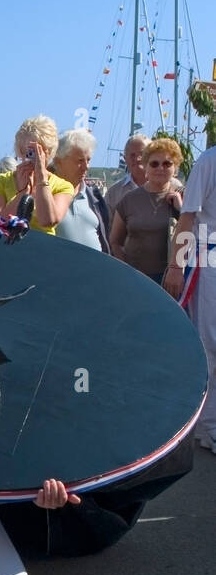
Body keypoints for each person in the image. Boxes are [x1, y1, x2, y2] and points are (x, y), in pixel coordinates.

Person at [165, 141, 216, 450]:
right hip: (210, 261)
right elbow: (188, 216)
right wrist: (175, 265)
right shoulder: (210, 160)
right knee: (209, 342)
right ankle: (208, 427)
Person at [110, 137, 183, 283]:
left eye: (167, 164)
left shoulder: (184, 196)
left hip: (170, 279)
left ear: (175, 168)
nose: (160, 168)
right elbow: (115, 241)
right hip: (135, 278)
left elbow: (192, 235)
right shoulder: (129, 199)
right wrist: (124, 269)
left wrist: (180, 209)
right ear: (146, 166)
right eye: (154, 164)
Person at [0, 116, 75, 233]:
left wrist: (42, 180)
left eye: (37, 151)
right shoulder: (0, 182)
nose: (31, 157)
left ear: (49, 152)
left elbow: (48, 220)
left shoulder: (63, 186)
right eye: (27, 151)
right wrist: (22, 194)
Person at [51, 130, 111, 251]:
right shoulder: (45, 195)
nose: (86, 167)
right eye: (80, 161)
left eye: (88, 160)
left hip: (94, 268)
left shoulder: (95, 198)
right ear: (58, 161)